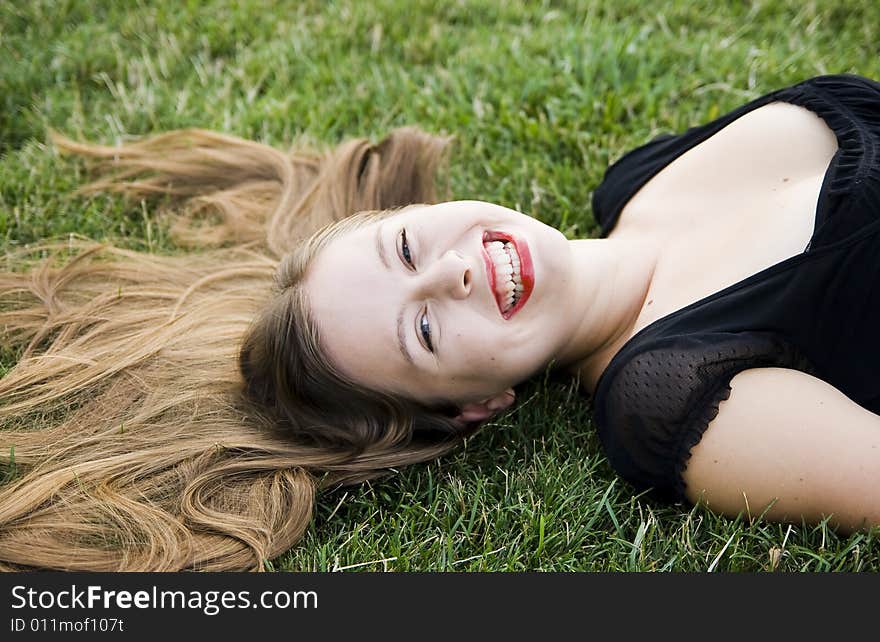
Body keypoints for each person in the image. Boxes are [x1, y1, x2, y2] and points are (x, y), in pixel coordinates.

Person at [1, 73, 878, 571]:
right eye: (424, 332)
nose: (455, 271)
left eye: (408, 248)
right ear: (477, 406)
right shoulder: (672, 397)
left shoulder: (638, 180)